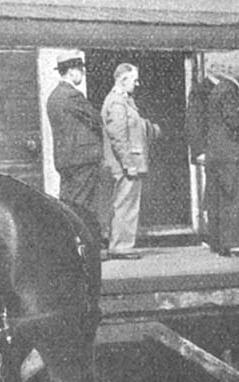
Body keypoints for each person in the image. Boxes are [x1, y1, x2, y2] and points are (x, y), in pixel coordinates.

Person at [101, 62, 161, 260]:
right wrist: (128, 164)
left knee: (126, 204)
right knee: (125, 204)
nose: (137, 83)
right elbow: (118, 136)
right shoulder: (117, 103)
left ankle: (120, 243)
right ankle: (121, 246)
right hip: (126, 165)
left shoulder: (125, 101)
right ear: (123, 80)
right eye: (134, 80)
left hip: (129, 162)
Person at [204, 51, 239, 258]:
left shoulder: (219, 88)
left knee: (220, 199)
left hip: (218, 154)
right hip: (234, 156)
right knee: (237, 198)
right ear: (231, 69)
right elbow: (235, 121)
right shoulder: (230, 90)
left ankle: (220, 243)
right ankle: (237, 243)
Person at [46, 51, 104, 216]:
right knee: (83, 206)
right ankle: (84, 240)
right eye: (80, 70)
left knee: (68, 203)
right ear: (71, 71)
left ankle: (71, 239)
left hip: (65, 160)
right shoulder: (72, 95)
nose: (83, 73)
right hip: (82, 159)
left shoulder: (54, 96)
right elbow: (96, 118)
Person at [185, 54, 221, 251]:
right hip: (210, 151)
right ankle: (215, 236)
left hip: (217, 150)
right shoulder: (201, 90)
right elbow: (194, 122)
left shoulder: (215, 88)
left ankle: (218, 236)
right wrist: (198, 151)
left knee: (217, 193)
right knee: (214, 194)